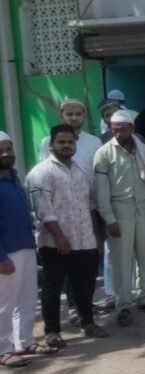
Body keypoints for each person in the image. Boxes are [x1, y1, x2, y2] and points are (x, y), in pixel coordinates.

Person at [27, 124, 109, 344]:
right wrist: (60, 238)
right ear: (51, 145)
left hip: (84, 238)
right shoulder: (41, 173)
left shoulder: (81, 171)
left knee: (84, 284)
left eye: (70, 142)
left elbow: (90, 205)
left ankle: (87, 322)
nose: (66, 146)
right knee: (53, 287)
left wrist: (96, 234)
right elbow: (44, 210)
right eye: (61, 142)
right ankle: (52, 331)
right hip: (55, 242)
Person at [93, 111, 145, 327]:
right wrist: (109, 219)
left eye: (123, 129)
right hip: (119, 212)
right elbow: (101, 190)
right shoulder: (104, 153)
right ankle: (123, 305)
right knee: (122, 262)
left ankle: (144, 297)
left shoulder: (142, 148)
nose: (118, 133)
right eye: (114, 129)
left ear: (131, 128)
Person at [0, 131, 57, 367]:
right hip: (6, 252)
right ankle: (3, 349)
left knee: (27, 298)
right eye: (1, 151)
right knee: (4, 303)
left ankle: (25, 341)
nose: (6, 154)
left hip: (25, 245)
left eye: (8, 149)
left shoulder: (15, 179)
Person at [39, 99, 103, 173]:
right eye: (69, 114)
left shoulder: (95, 141)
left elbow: (100, 170)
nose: (74, 118)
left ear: (84, 117)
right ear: (61, 117)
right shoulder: (48, 142)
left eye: (78, 114)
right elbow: (43, 170)